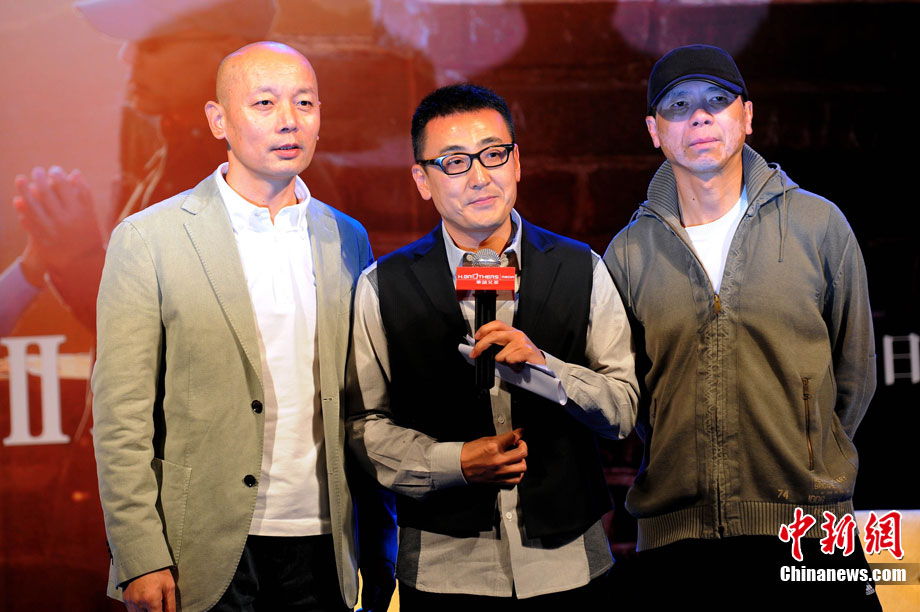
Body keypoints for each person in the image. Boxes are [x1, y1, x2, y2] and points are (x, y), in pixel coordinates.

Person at [92, 41, 395, 612]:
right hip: (202, 546)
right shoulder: (150, 239)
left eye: (305, 103)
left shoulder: (346, 236)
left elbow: (361, 399)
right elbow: (120, 417)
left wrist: (379, 542)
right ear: (218, 120)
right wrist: (139, 554)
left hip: (326, 543)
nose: (289, 120)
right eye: (264, 103)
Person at [603, 44, 879, 608]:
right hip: (677, 543)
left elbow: (855, 375)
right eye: (678, 105)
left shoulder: (818, 225)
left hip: (812, 534)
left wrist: (808, 456)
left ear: (747, 116)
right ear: (655, 131)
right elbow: (629, 397)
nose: (699, 117)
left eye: (717, 100)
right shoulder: (628, 252)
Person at [346, 83, 639, 610]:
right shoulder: (381, 287)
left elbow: (622, 411)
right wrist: (455, 462)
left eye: (493, 154)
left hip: (569, 565)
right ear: (422, 180)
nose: (480, 176)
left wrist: (546, 368)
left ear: (517, 162)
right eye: (455, 162)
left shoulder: (581, 268)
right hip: (445, 572)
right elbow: (364, 426)